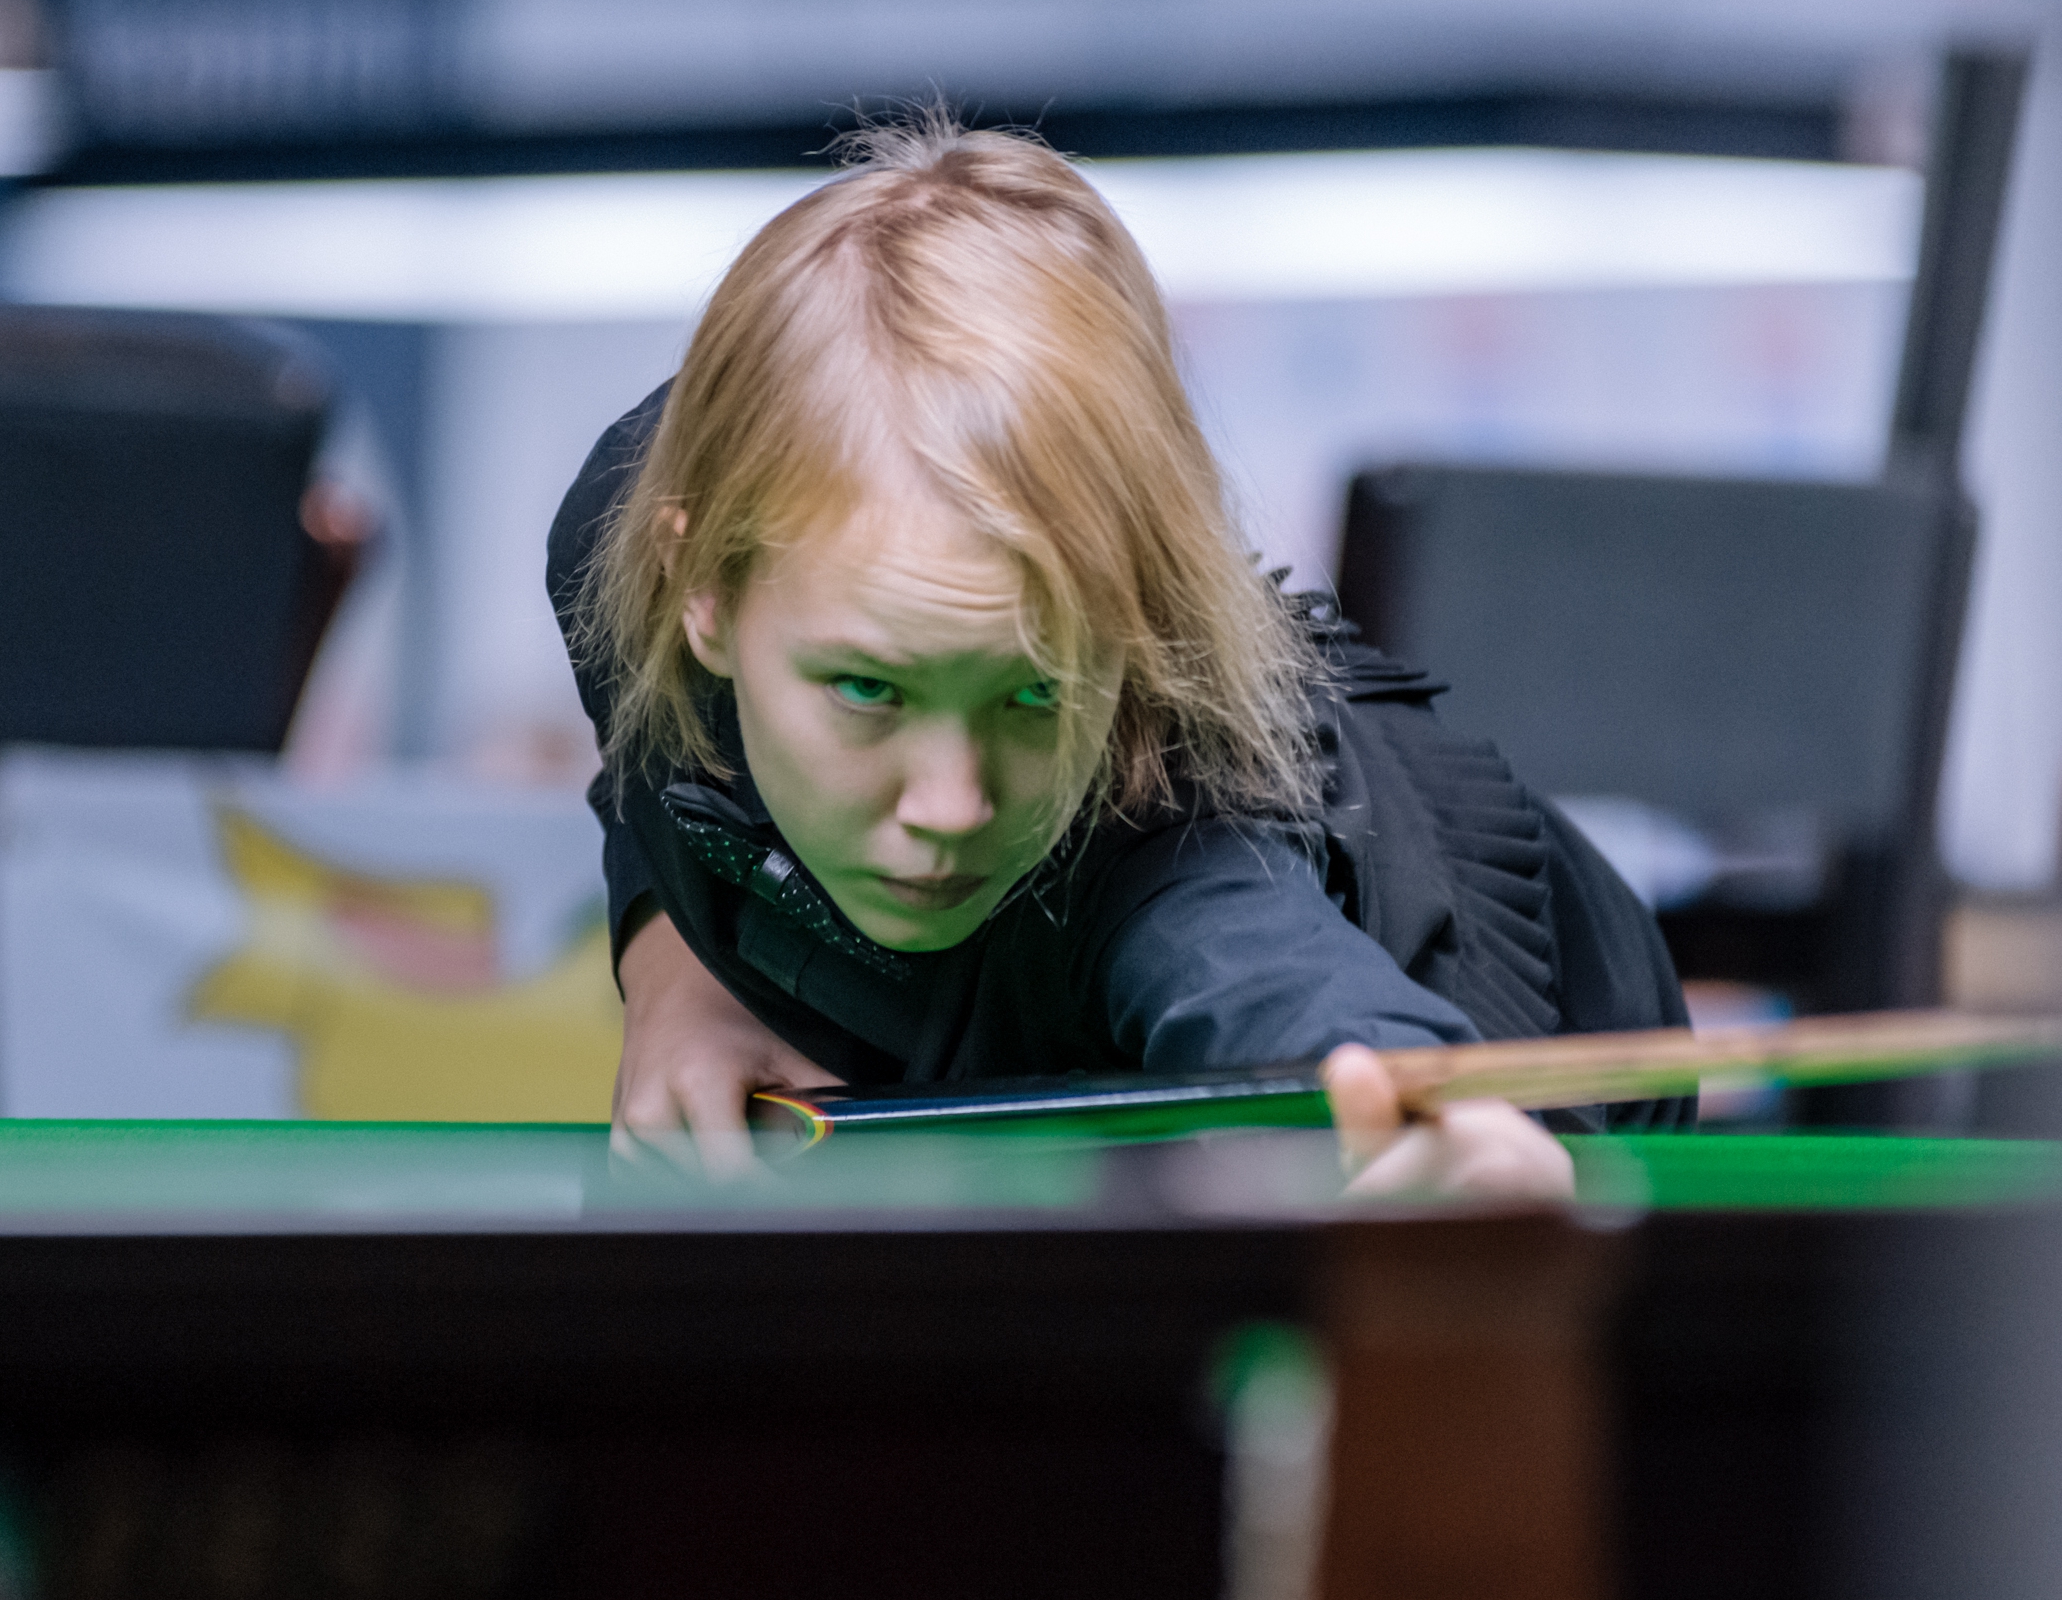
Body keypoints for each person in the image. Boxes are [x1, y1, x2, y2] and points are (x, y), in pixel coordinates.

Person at [546, 115, 1684, 1193]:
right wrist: (675, 968)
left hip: (1507, 1005)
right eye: (868, 689)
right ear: (699, 592)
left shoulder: (1169, 845)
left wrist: (1441, 1124)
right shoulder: (620, 534)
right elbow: (646, 752)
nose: (952, 806)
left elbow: (1272, 977)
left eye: (1035, 691)